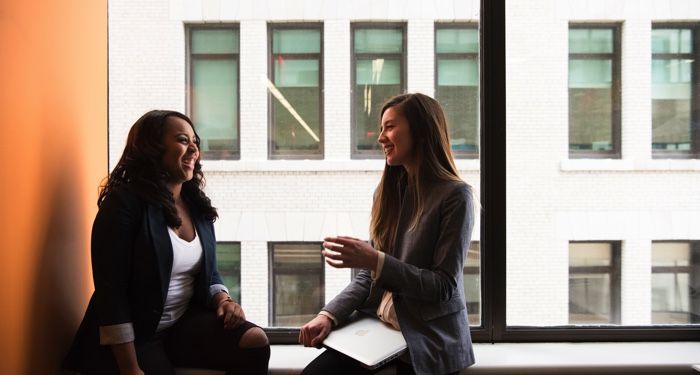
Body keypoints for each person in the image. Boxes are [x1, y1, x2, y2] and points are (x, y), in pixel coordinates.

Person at [63, 110, 270, 375]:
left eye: (195, 141)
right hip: (135, 338)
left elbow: (209, 272)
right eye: (183, 140)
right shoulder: (124, 204)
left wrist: (223, 299)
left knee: (255, 341)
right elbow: (111, 293)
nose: (194, 148)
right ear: (152, 148)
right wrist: (129, 368)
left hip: (179, 326)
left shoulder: (196, 205)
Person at [299, 93, 476, 375]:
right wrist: (328, 315)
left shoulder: (456, 196)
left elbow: (443, 286)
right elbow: (370, 275)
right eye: (382, 129)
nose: (381, 137)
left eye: (390, 127)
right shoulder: (389, 193)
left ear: (420, 131)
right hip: (380, 330)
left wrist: (376, 261)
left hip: (426, 336)